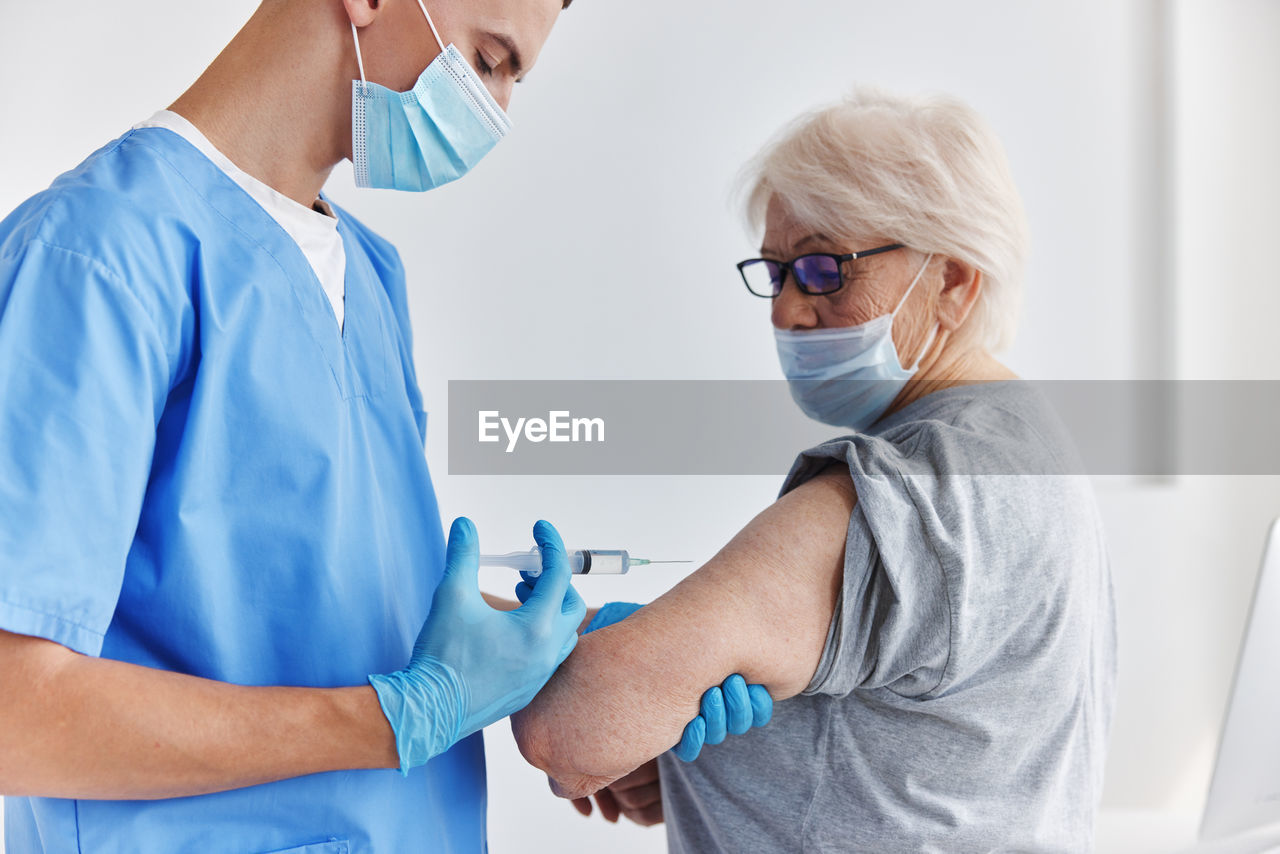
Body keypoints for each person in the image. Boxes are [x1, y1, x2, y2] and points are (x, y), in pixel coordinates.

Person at [0, 1, 765, 850]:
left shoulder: (367, 273)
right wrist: (399, 718)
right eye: (488, 61)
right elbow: (16, 713)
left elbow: (329, 598)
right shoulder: (97, 255)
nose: (497, 112)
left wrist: (571, 658)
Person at [511, 89, 1118, 851]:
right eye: (775, 273)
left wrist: (618, 683)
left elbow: (572, 728)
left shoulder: (918, 488)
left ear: (954, 282)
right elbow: (921, 751)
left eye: (825, 268)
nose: (786, 312)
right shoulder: (1028, 452)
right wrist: (694, 757)